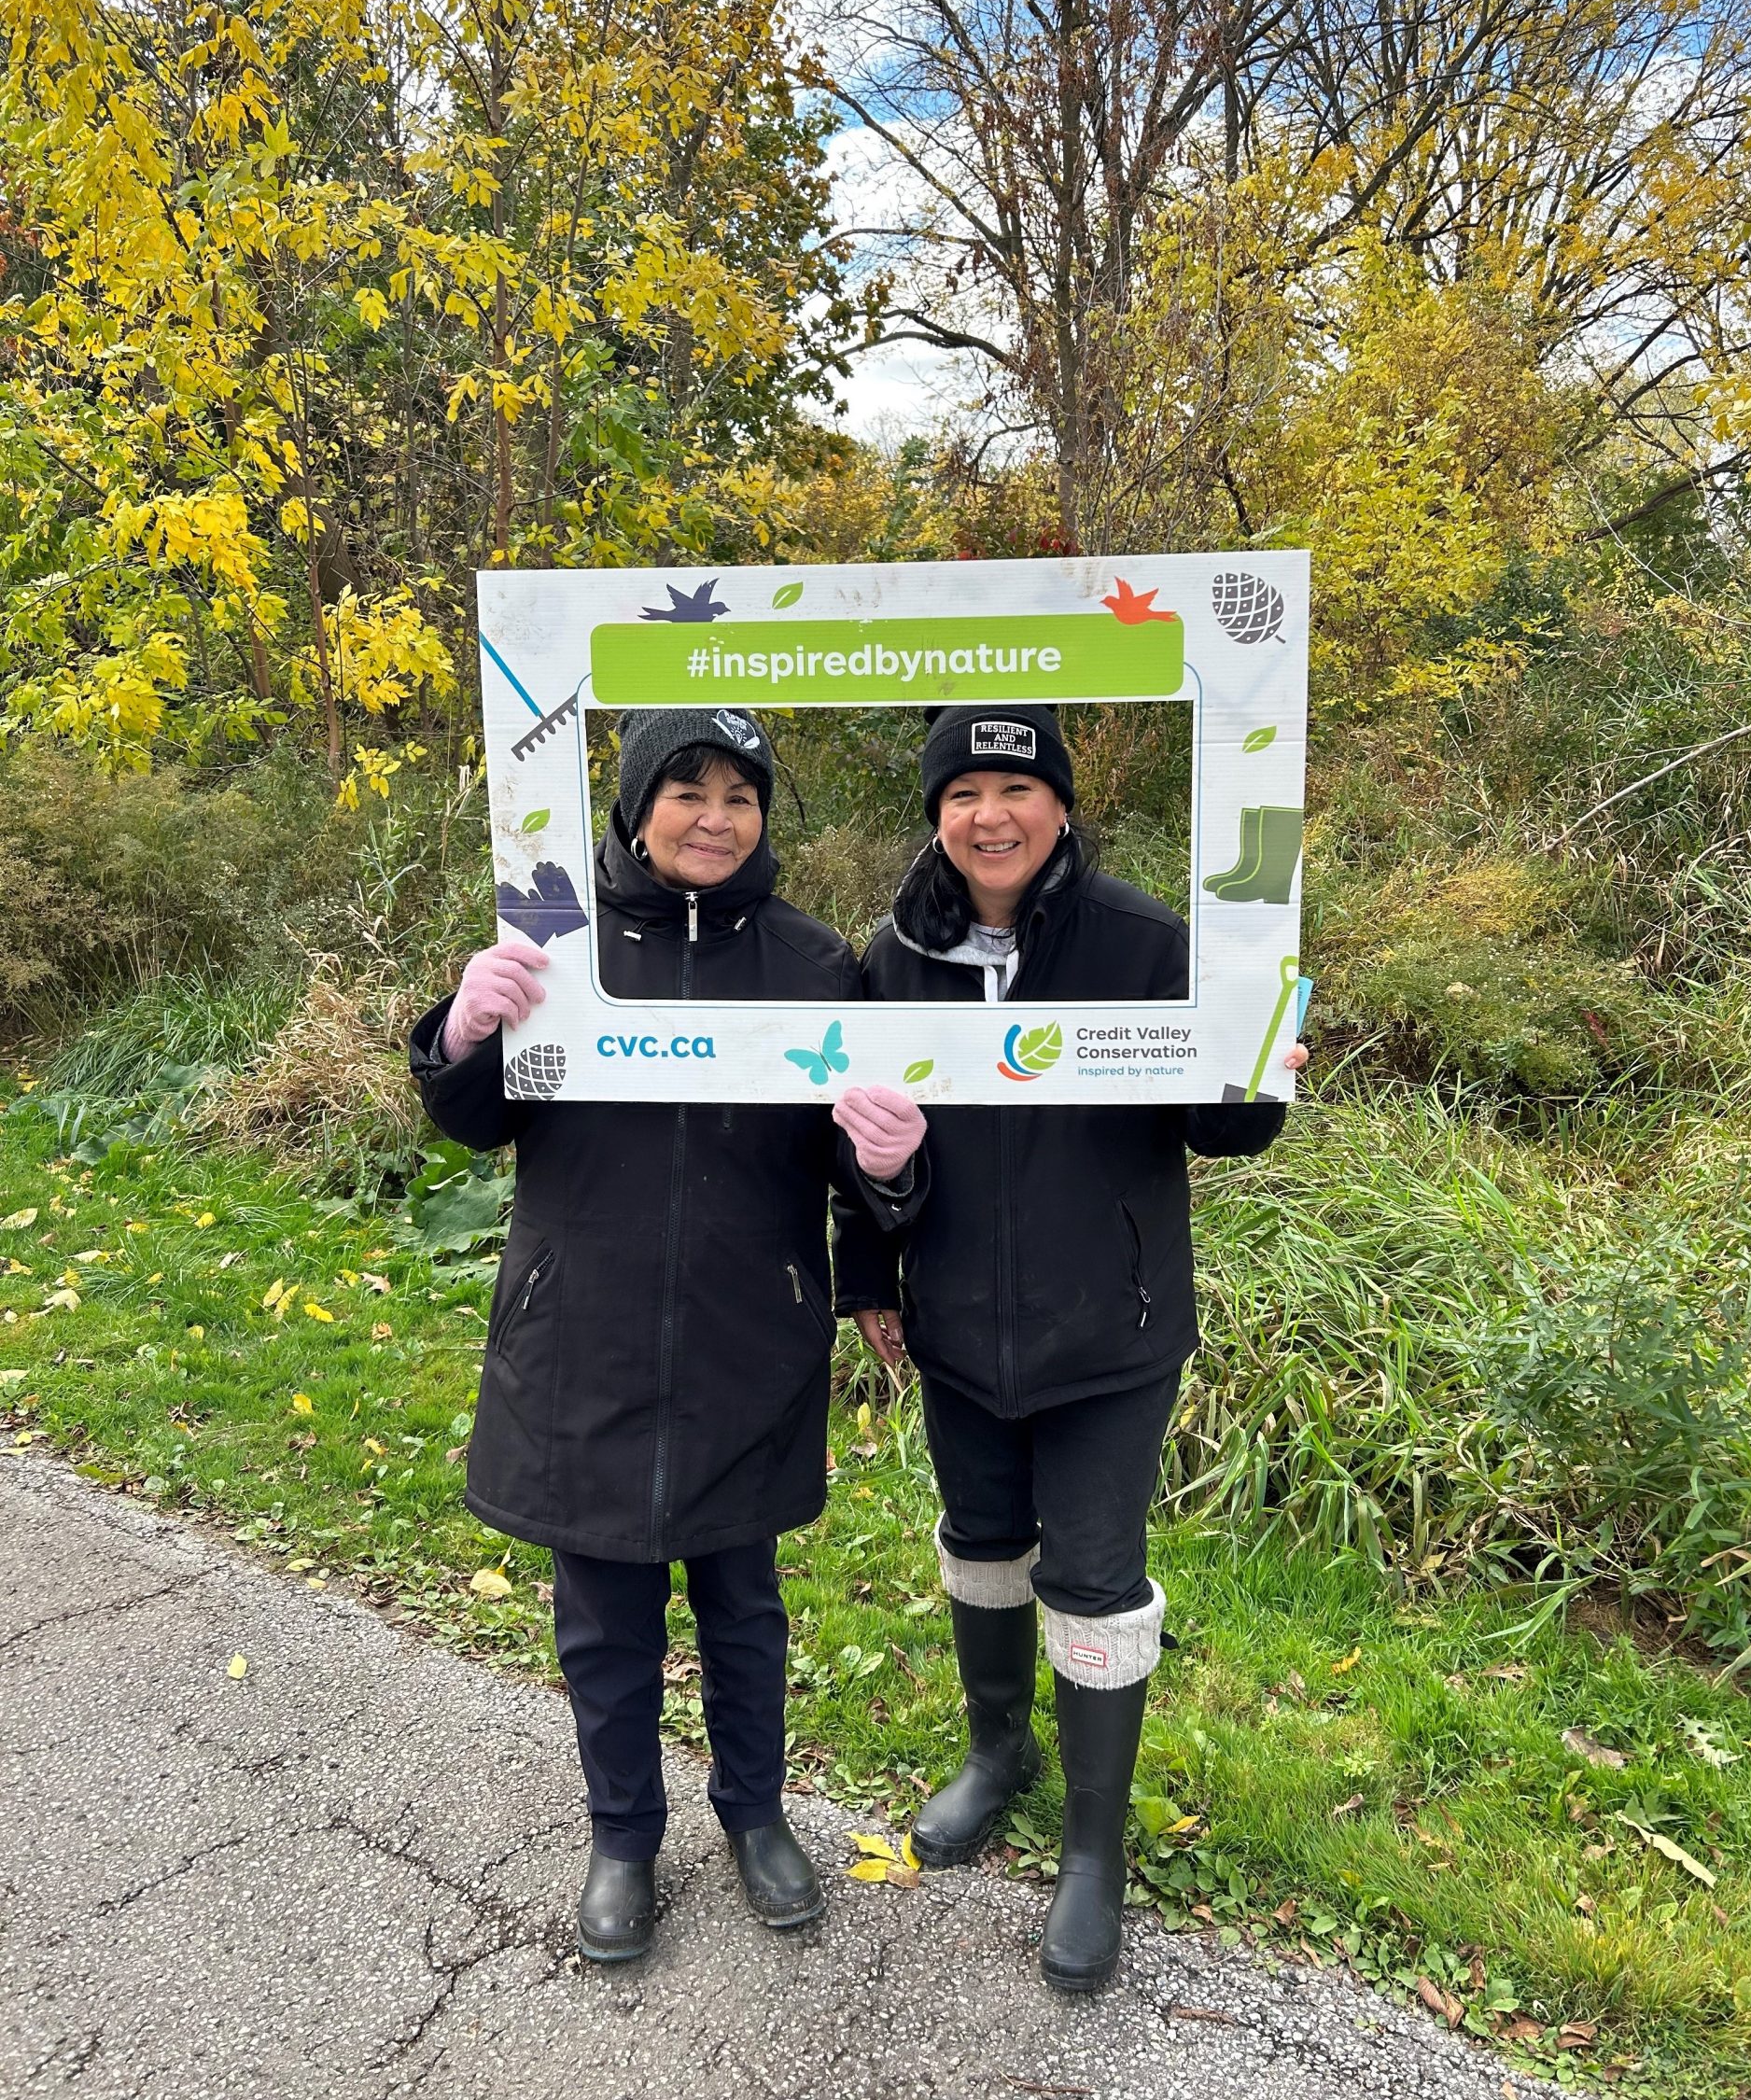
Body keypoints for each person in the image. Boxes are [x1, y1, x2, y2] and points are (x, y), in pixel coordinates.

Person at [410, 707, 926, 1966]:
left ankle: (755, 1818)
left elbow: (858, 1169)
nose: (713, 816)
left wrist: (893, 1172)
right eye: (685, 789)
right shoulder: (558, 946)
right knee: (604, 1616)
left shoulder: (814, 962)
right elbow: (474, 1122)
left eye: (740, 795)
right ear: (636, 807)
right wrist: (466, 1028)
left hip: (751, 1337)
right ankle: (623, 1838)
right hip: (583, 1332)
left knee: (744, 1607)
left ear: (764, 819)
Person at [833, 704, 1305, 1994]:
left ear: (1061, 805)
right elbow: (867, 1138)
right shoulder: (895, 954)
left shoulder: (1150, 941)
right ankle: (1000, 1757)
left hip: (1112, 1330)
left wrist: (1255, 1077)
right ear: (936, 811)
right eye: (965, 790)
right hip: (957, 1330)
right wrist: (873, 1262)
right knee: (983, 1545)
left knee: (1092, 1576)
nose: (992, 816)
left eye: (1018, 787)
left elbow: (1228, 1135)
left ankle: (1094, 1851)